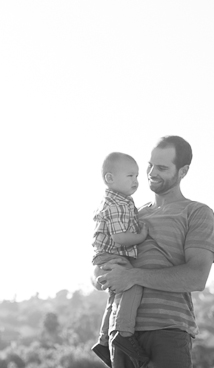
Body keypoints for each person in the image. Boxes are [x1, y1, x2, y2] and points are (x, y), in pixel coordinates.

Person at [95, 136, 214, 368]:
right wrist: (100, 275)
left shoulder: (197, 213)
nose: (152, 172)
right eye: (150, 165)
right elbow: (99, 263)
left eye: (162, 168)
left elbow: (196, 277)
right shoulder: (131, 213)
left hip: (167, 331)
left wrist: (132, 276)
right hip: (120, 335)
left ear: (183, 171)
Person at [91, 153, 151, 368]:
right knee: (132, 284)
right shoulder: (116, 204)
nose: (136, 181)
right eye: (130, 176)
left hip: (107, 257)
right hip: (112, 256)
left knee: (115, 299)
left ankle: (104, 338)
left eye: (137, 176)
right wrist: (141, 237)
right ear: (110, 179)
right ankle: (123, 334)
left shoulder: (121, 201)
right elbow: (120, 238)